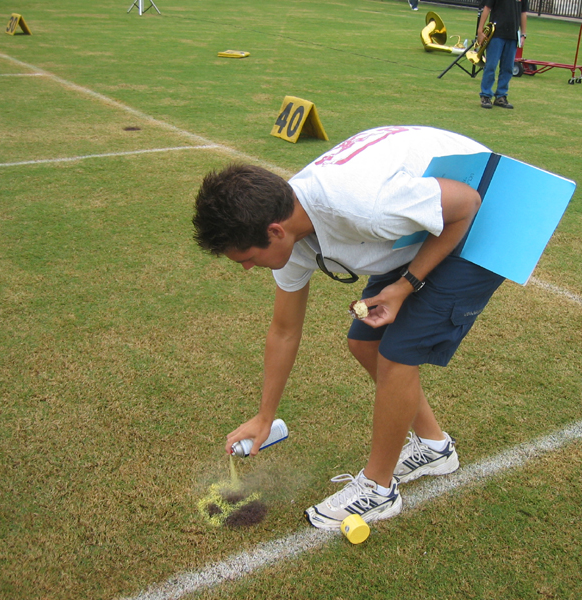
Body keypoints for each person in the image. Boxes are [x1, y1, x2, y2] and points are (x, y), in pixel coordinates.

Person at [192, 126, 505, 530]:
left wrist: (405, 286)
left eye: (247, 258)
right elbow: (284, 329)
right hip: (424, 216)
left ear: (274, 232)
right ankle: (434, 448)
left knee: (398, 353)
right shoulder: (288, 221)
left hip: (479, 212)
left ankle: (378, 490)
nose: (248, 268)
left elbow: (467, 204)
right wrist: (264, 416)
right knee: (364, 343)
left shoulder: (364, 207)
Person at [478, 0, 528, 109]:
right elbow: (487, 8)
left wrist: (523, 34)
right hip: (496, 35)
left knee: (508, 68)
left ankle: (501, 96)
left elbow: (523, 13)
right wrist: (480, 30)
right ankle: (486, 95)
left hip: (512, 36)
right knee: (491, 66)